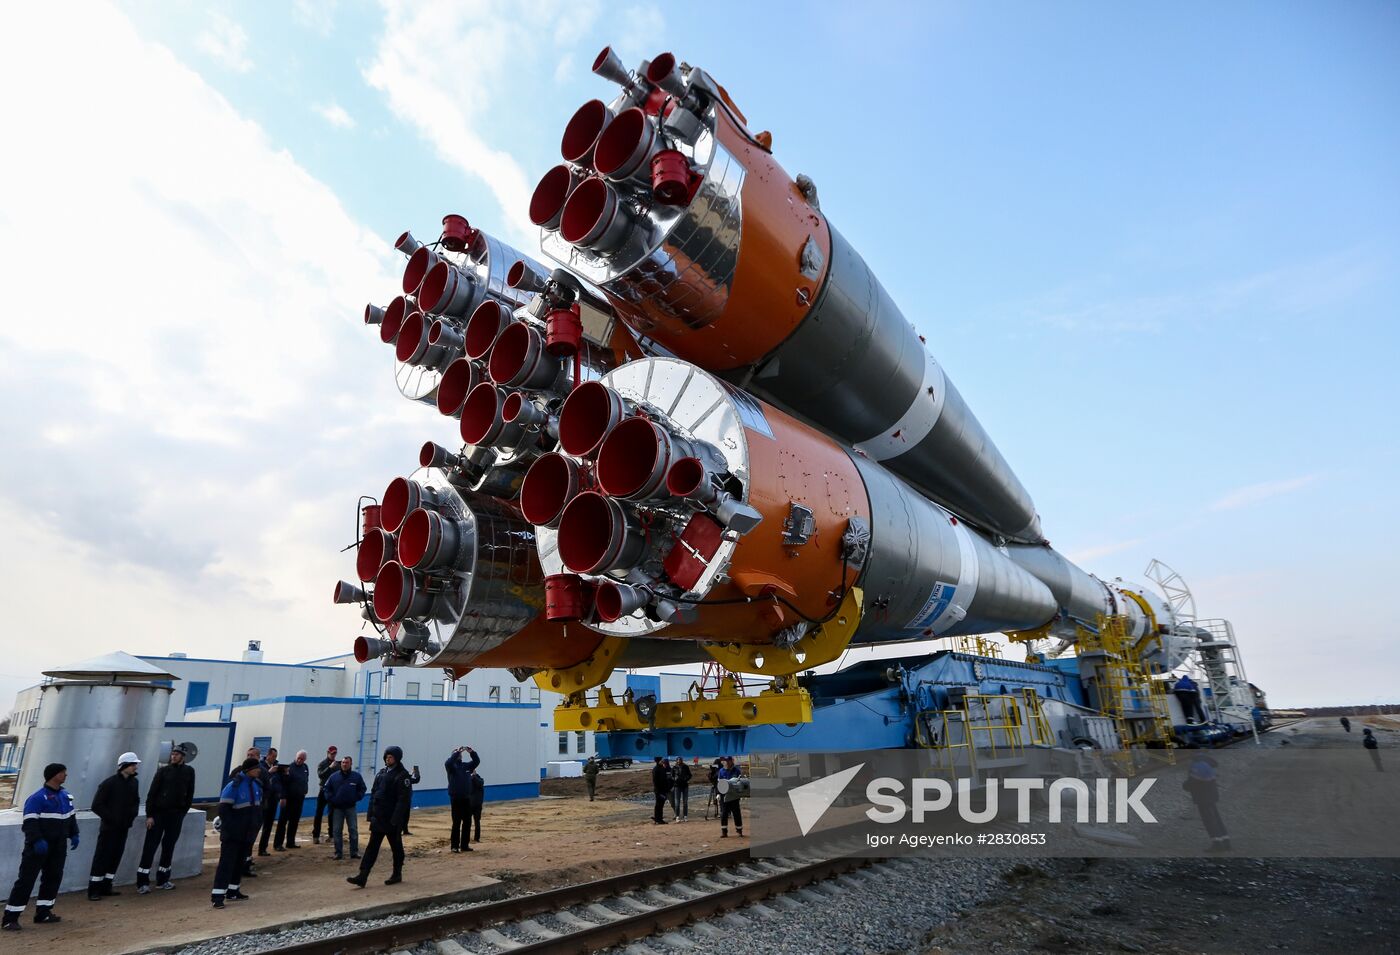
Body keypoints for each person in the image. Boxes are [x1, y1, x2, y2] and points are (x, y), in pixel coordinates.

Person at [4, 763, 78, 930]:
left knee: (53, 878)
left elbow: (71, 817)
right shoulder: (37, 798)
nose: (66, 775)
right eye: (62, 773)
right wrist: (37, 840)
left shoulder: (66, 796)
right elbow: (29, 822)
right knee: (26, 880)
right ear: (54, 775)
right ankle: (10, 918)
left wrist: (74, 834)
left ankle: (43, 912)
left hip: (58, 847)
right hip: (38, 848)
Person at [348, 746, 412, 888]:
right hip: (379, 818)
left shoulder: (402, 775)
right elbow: (374, 794)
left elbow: (403, 800)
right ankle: (362, 876)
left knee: (396, 848)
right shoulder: (381, 774)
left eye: (391, 757)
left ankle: (397, 873)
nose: (388, 759)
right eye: (387, 757)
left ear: (397, 758)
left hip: (391, 820)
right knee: (371, 848)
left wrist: (396, 819)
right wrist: (371, 814)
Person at [136, 744, 196, 894]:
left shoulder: (189, 772)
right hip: (158, 815)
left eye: (177, 754)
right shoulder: (163, 771)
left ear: (183, 757)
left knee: (169, 847)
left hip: (176, 816)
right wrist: (150, 815)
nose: (173, 756)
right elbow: (152, 794)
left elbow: (190, 793)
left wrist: (183, 812)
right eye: (173, 754)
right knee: (150, 847)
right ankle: (142, 882)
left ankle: (163, 879)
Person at [88, 752, 142, 900]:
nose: (135, 767)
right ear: (124, 766)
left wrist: (131, 816)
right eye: (132, 764)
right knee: (102, 857)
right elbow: (97, 805)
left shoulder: (133, 783)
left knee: (115, 856)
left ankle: (107, 885)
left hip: (123, 827)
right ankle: (94, 889)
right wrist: (111, 819)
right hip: (109, 828)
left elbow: (135, 801)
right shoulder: (109, 783)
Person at [212, 759, 261, 908]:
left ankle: (233, 891)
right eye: (256, 768)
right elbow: (223, 810)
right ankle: (218, 896)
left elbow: (256, 809)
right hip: (233, 833)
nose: (259, 771)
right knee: (226, 864)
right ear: (249, 770)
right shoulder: (235, 785)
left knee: (239, 863)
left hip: (247, 833)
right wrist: (232, 828)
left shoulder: (255, 785)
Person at [1182, 754, 1230, 851]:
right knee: (1216, 818)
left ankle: (1217, 843)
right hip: (1212, 794)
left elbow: (1193, 781)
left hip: (1202, 797)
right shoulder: (1206, 761)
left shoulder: (1196, 765)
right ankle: (1226, 841)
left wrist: (1185, 785)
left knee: (1209, 820)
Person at [323, 755, 366, 861]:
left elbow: (362, 788)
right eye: (343, 762)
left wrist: (356, 797)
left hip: (350, 808)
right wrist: (332, 800)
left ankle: (354, 852)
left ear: (351, 764)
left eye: (347, 762)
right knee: (337, 831)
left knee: (353, 830)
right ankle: (338, 853)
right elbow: (326, 789)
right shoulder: (334, 777)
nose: (344, 764)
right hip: (337, 809)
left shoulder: (356, 777)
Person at [445, 746, 480, 852]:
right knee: (456, 822)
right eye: (457, 754)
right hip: (456, 798)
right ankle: (454, 846)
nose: (460, 755)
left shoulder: (465, 766)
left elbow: (476, 761)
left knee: (467, 822)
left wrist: (472, 752)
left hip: (466, 798)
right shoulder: (451, 766)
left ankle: (465, 845)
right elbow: (449, 763)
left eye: (460, 754)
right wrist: (456, 752)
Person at [275, 750, 310, 849]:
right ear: (296, 757)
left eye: (302, 759)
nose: (299, 760)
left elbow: (306, 779)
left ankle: (290, 842)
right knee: (283, 821)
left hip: (299, 799)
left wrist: (305, 790)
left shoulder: (305, 767)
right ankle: (278, 844)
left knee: (294, 821)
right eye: (298, 758)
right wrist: (283, 797)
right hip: (288, 798)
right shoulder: (289, 768)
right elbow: (283, 784)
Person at [311, 745, 339, 844]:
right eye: (332, 753)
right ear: (327, 753)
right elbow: (320, 775)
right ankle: (315, 836)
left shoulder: (337, 765)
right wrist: (329, 768)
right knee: (319, 813)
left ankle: (331, 835)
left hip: (333, 792)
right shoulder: (322, 764)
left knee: (332, 814)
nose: (333, 755)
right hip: (323, 791)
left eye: (335, 753)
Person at [257, 760, 285, 856]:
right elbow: (260, 781)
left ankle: (263, 849)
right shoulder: (261, 767)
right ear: (268, 756)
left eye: (276, 757)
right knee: (257, 825)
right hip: (264, 800)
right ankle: (248, 853)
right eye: (273, 756)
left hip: (274, 800)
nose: (274, 758)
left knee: (268, 826)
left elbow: (281, 783)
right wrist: (269, 772)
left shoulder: (277, 766)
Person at [718, 756, 744, 838]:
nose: (727, 762)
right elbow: (719, 784)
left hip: (734, 796)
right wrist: (718, 794)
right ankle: (724, 831)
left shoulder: (736, 770)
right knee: (724, 813)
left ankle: (739, 830)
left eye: (728, 760)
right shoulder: (721, 771)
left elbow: (741, 782)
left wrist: (740, 793)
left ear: (731, 761)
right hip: (724, 796)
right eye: (725, 761)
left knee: (736, 813)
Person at [467, 759, 486, 843]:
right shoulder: (470, 779)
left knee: (476, 821)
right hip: (471, 803)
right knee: (469, 822)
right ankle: (469, 838)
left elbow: (480, 784)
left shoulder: (478, 779)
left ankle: (476, 838)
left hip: (475, 804)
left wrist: (473, 777)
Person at [671, 755, 692, 822]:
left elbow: (690, 775)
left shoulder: (686, 767)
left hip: (685, 786)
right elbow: (671, 776)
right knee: (677, 802)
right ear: (676, 761)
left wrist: (686, 779)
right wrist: (675, 779)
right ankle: (677, 817)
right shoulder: (674, 768)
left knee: (685, 802)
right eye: (678, 760)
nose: (679, 761)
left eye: (680, 760)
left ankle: (685, 816)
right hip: (677, 786)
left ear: (682, 760)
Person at [402, 763, 421, 836]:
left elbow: (416, 780)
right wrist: (410, 774)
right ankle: (399, 830)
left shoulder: (408, 779)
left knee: (406, 816)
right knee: (401, 816)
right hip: (400, 800)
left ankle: (405, 830)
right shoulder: (401, 778)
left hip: (407, 799)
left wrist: (416, 771)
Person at [651, 757, 671, 825]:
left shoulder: (662, 768)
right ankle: (658, 819)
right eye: (661, 760)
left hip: (663, 790)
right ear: (658, 761)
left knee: (660, 805)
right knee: (659, 805)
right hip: (659, 791)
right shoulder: (656, 769)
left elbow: (665, 779)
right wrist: (658, 791)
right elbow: (655, 781)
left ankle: (658, 818)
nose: (662, 761)